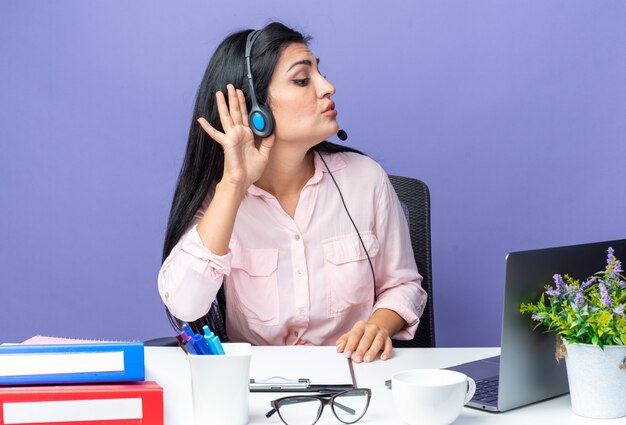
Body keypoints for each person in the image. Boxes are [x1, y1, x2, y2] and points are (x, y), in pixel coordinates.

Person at [158, 22, 427, 363]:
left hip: (352, 380)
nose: (328, 87)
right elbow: (184, 303)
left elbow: (404, 286)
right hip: (258, 389)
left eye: (319, 73)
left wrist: (377, 326)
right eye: (302, 80)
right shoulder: (219, 200)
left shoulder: (365, 179)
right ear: (257, 112)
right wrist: (233, 186)